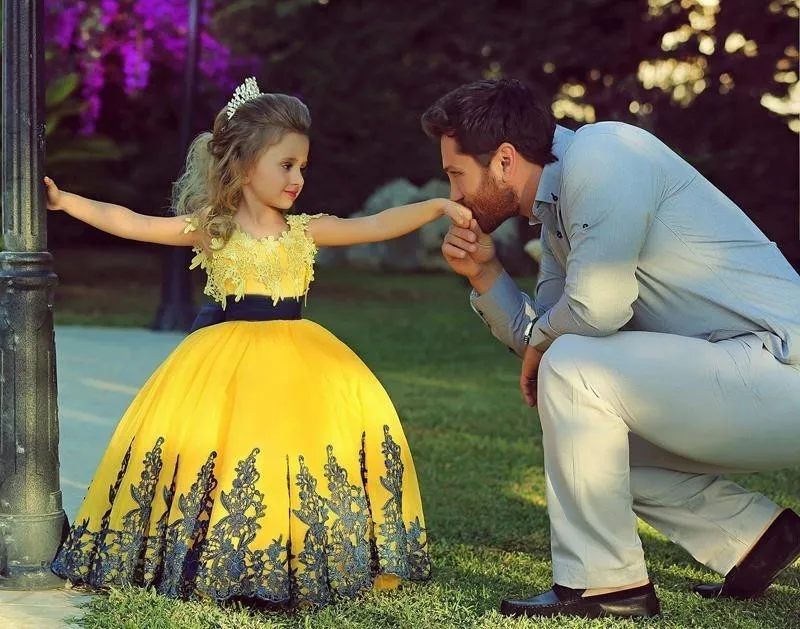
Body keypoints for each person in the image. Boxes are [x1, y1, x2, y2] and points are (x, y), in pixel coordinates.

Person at [48, 77, 472, 609]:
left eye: (302, 166)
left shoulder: (305, 231)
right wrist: (66, 201)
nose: (297, 178)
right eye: (286, 165)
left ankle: (304, 555)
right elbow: (133, 222)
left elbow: (376, 224)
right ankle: (217, 555)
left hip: (303, 361)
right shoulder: (213, 229)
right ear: (245, 165)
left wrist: (435, 207)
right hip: (224, 362)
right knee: (227, 455)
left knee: (302, 450)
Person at [421, 78, 800, 620]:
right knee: (585, 427)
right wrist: (486, 274)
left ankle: (605, 585)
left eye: (457, 174)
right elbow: (547, 337)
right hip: (740, 376)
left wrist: (550, 346)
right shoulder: (556, 212)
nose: (454, 195)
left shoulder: (603, 155)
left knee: (576, 369)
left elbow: (597, 309)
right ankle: (756, 539)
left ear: (503, 160)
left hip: (782, 364)